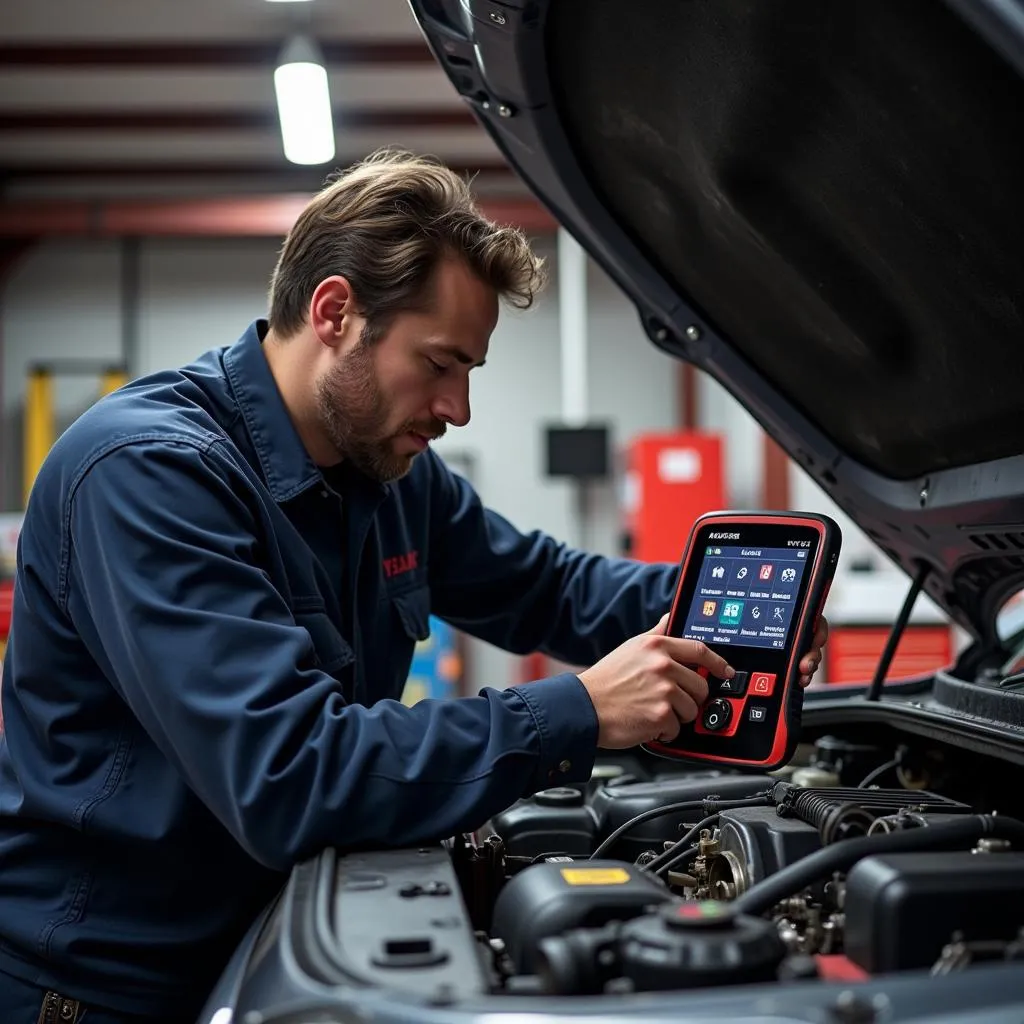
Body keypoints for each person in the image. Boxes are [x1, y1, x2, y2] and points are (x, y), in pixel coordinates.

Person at [0, 150, 827, 1024]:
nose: (459, 406)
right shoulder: (150, 473)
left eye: (468, 370)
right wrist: (580, 709)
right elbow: (289, 776)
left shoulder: (390, 477)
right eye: (439, 364)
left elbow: (548, 586)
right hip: (104, 990)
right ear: (334, 313)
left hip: (258, 940)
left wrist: (724, 611)